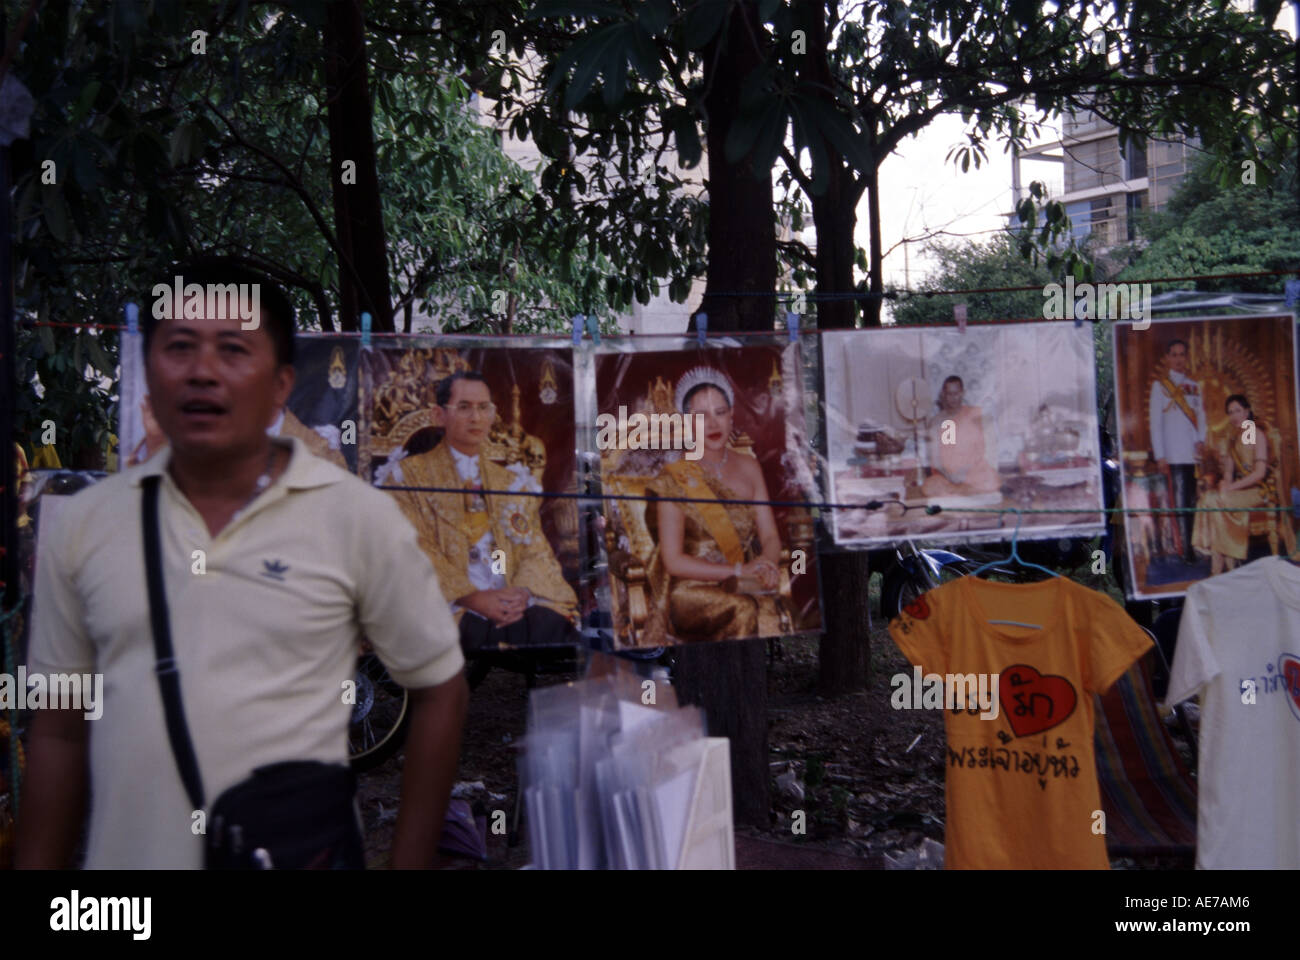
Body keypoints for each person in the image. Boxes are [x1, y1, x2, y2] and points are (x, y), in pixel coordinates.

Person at [17, 258, 468, 869]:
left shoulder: (357, 519)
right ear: (149, 372)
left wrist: (407, 860)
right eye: (180, 347)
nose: (203, 371)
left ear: (281, 385)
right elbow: (59, 729)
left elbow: (441, 691)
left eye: (233, 349)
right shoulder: (84, 526)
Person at [389, 371, 579, 651]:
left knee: (551, 626)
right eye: (464, 407)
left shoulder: (510, 482)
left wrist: (521, 592)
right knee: (467, 632)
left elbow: (534, 549)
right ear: (440, 415)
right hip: (451, 603)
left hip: (507, 594)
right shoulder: (406, 476)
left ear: (492, 415)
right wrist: (472, 598)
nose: (475, 418)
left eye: (483, 408)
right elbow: (412, 547)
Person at [642, 367, 787, 643]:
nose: (712, 424)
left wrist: (766, 564)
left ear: (731, 416)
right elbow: (673, 561)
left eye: (720, 412)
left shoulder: (750, 467)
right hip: (689, 591)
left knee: (769, 608)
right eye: (701, 416)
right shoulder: (674, 477)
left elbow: (770, 535)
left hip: (744, 581)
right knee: (743, 609)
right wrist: (736, 570)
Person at [1192, 394, 1278, 575]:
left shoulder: (1255, 434)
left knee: (1216, 501)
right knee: (1208, 498)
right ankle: (1227, 560)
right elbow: (1229, 473)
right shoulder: (1233, 438)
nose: (1234, 416)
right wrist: (1225, 483)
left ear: (1247, 411)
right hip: (1238, 490)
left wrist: (1231, 488)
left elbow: (1259, 473)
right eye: (1230, 412)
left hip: (1258, 491)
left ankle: (1219, 566)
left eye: (1237, 411)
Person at [1148, 338, 1207, 564]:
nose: (1178, 359)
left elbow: (1201, 416)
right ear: (1167, 358)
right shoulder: (1160, 387)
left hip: (1192, 454)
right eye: (1174, 354)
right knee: (1180, 502)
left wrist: (1201, 440)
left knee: (1192, 501)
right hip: (1172, 455)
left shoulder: (1195, 386)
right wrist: (1160, 455)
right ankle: (1185, 549)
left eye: (1182, 354)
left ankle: (1192, 544)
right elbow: (1155, 424)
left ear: (1187, 357)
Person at [921, 375, 999, 497]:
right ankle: (964, 491)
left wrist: (967, 473)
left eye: (956, 393)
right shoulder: (937, 421)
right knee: (928, 486)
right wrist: (950, 475)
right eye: (949, 394)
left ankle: (957, 492)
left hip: (973, 474)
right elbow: (936, 459)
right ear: (943, 395)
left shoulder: (975, 416)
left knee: (992, 479)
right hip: (946, 477)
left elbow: (986, 451)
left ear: (963, 393)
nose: (953, 398)